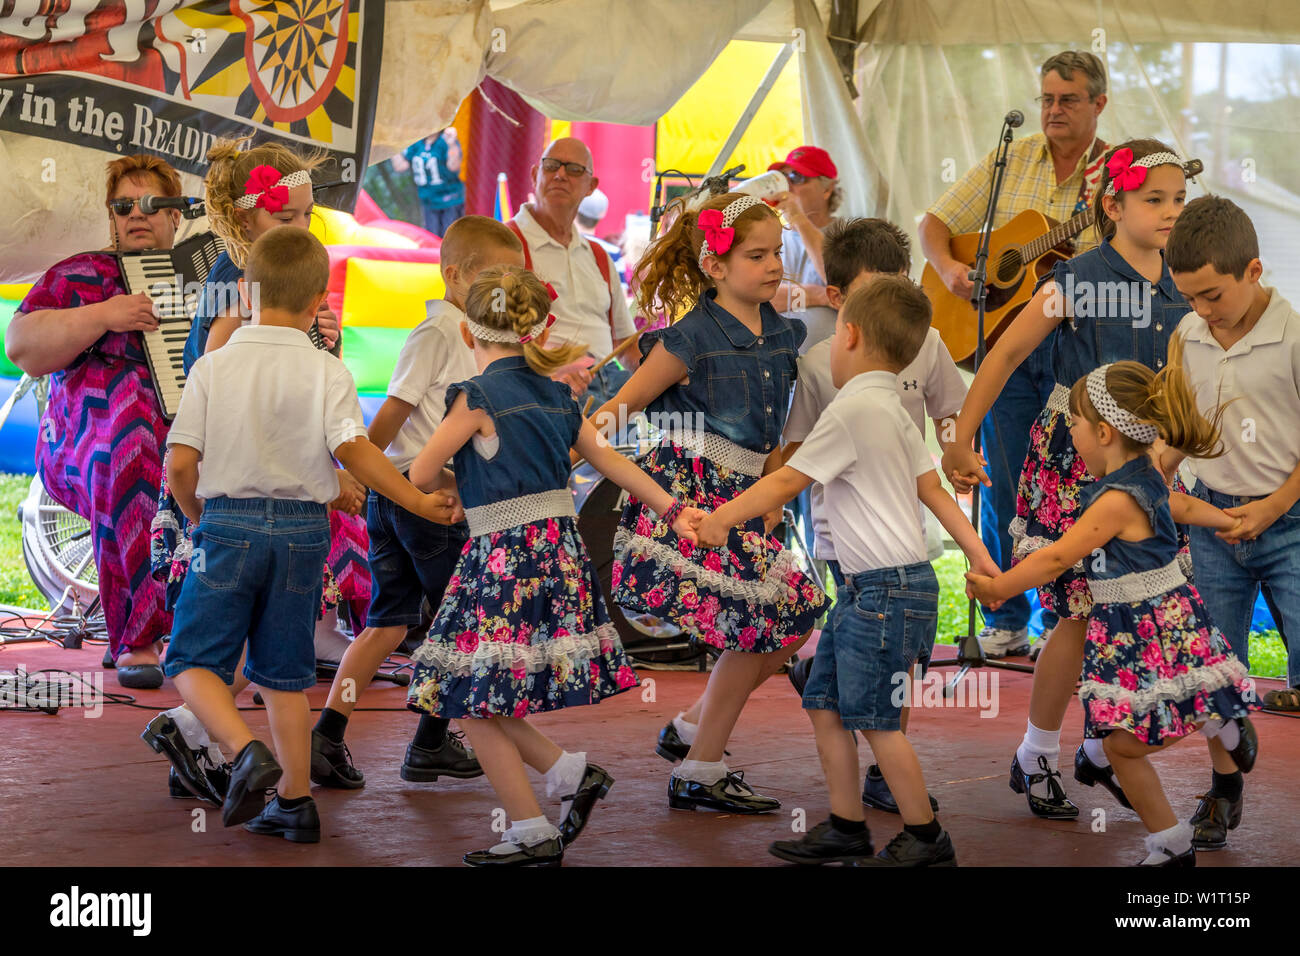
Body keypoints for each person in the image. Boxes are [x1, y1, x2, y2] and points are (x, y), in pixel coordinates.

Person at [144, 137, 431, 804]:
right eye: (288, 218)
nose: (302, 230)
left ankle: (211, 740)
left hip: (251, 490)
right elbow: (213, 375)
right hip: (236, 480)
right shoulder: (233, 281)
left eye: (307, 218)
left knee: (237, 635)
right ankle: (223, 748)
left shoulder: (277, 281)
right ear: (247, 220)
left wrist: (318, 339)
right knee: (240, 643)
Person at [403, 265, 704, 866]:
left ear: (468, 331)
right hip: (557, 552)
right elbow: (611, 464)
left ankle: (533, 827)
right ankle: (566, 775)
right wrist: (672, 508)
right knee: (478, 693)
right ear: (535, 328)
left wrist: (460, 485)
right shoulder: (559, 394)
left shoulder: (476, 397)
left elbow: (418, 471)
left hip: (504, 559)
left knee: (467, 695)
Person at [696, 275, 997, 866]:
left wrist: (719, 520)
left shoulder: (851, 407)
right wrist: (979, 556)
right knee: (826, 704)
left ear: (850, 334)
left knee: (878, 722)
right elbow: (935, 493)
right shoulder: (893, 410)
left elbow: (788, 480)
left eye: (833, 339)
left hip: (880, 593)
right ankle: (844, 824)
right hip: (886, 590)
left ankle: (927, 838)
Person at [942, 139, 1194, 820]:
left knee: (1137, 613)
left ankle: (1103, 747)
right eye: (1154, 200)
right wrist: (962, 436)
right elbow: (1006, 355)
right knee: (1079, 616)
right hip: (1073, 458)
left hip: (1147, 465)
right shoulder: (1076, 278)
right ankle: (1038, 750)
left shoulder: (1184, 285)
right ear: (1111, 205)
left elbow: (1190, 381)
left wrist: (1172, 454)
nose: (1170, 212)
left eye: (1178, 200)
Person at [966, 356, 1259, 866]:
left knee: (1124, 745)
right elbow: (1180, 506)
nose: (1070, 434)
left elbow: (1058, 557)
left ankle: (1173, 840)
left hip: (1137, 625)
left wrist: (997, 586)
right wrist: (1226, 519)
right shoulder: (1146, 474)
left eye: (1075, 424)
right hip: (1176, 613)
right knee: (1163, 712)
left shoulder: (1111, 501)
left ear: (1103, 432)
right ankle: (1222, 723)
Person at [592, 192, 828, 814]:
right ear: (716, 266)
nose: (774, 265)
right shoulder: (688, 338)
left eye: (778, 252)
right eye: (757, 255)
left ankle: (696, 730)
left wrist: (775, 476)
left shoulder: (783, 334)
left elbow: (777, 430)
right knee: (758, 625)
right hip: (693, 501)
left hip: (749, 497)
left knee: (795, 614)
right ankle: (699, 766)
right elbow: (616, 415)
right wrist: (554, 463)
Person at [309, 216, 529, 788]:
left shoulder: (474, 339)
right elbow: (393, 413)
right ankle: (430, 742)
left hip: (402, 496)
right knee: (460, 627)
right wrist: (354, 469)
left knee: (386, 625)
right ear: (455, 276)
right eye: (494, 278)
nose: (505, 292)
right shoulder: (439, 335)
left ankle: (328, 733)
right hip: (426, 502)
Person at [922, 51, 1112, 658]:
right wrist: (950, 267)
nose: (1054, 111)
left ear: (1098, 104)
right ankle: (1005, 617)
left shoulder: (1111, 175)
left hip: (1075, 346)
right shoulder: (1013, 158)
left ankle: (1075, 614)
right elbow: (935, 221)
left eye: (1069, 100)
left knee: (1072, 476)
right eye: (1047, 99)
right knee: (1004, 478)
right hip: (1002, 339)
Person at [782, 218, 967, 814]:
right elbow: (795, 455)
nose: (894, 305)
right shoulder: (817, 365)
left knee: (895, 661)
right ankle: (872, 776)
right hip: (845, 536)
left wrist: (958, 448)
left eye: (898, 286)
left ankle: (884, 773)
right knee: (872, 654)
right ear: (836, 300)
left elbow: (950, 411)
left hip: (905, 526)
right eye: (872, 291)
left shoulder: (928, 342)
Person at [6, 154, 185, 688]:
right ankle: (136, 636)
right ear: (111, 217)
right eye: (124, 205)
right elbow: (21, 347)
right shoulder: (80, 274)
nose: (137, 214)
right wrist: (104, 315)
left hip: (189, 436)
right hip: (91, 440)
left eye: (153, 205)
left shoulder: (205, 276)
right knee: (129, 437)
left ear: (177, 217)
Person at [1165, 196, 1298, 848]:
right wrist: (1155, 474)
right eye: (1189, 297)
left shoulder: (1294, 338)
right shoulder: (1187, 336)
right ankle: (1224, 789)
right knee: (1213, 670)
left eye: (1212, 294)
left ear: (1253, 270)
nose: (1202, 310)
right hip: (1212, 523)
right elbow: (1178, 424)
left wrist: (1273, 507)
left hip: (1290, 520)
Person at [509, 137, 638, 407]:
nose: (560, 175)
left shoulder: (598, 255)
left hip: (610, 384)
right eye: (552, 165)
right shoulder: (507, 242)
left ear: (591, 187)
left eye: (574, 169)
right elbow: (488, 332)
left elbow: (626, 344)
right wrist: (549, 365)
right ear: (535, 175)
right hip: (543, 386)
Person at [769, 145, 843, 352]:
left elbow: (840, 282)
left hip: (830, 367)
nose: (787, 185)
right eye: (783, 177)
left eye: (797, 177)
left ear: (827, 189)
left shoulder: (849, 233)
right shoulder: (771, 236)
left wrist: (798, 217)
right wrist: (816, 295)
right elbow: (757, 298)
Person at [390, 128, 466, 237]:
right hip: (429, 202)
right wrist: (391, 146)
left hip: (450, 201)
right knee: (432, 239)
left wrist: (452, 144)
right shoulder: (417, 144)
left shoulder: (444, 140)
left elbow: (453, 166)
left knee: (449, 240)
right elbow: (400, 166)